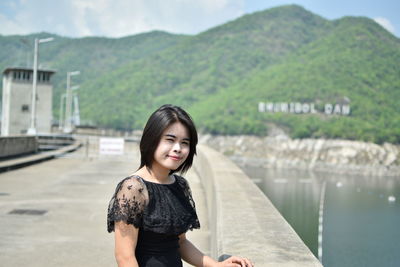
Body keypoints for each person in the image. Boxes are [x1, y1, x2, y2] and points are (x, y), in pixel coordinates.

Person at [107, 104, 253, 267]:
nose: (178, 148)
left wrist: (218, 265)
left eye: (184, 143)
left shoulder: (180, 185)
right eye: (170, 140)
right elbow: (124, 257)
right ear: (152, 139)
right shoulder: (133, 188)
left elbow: (181, 243)